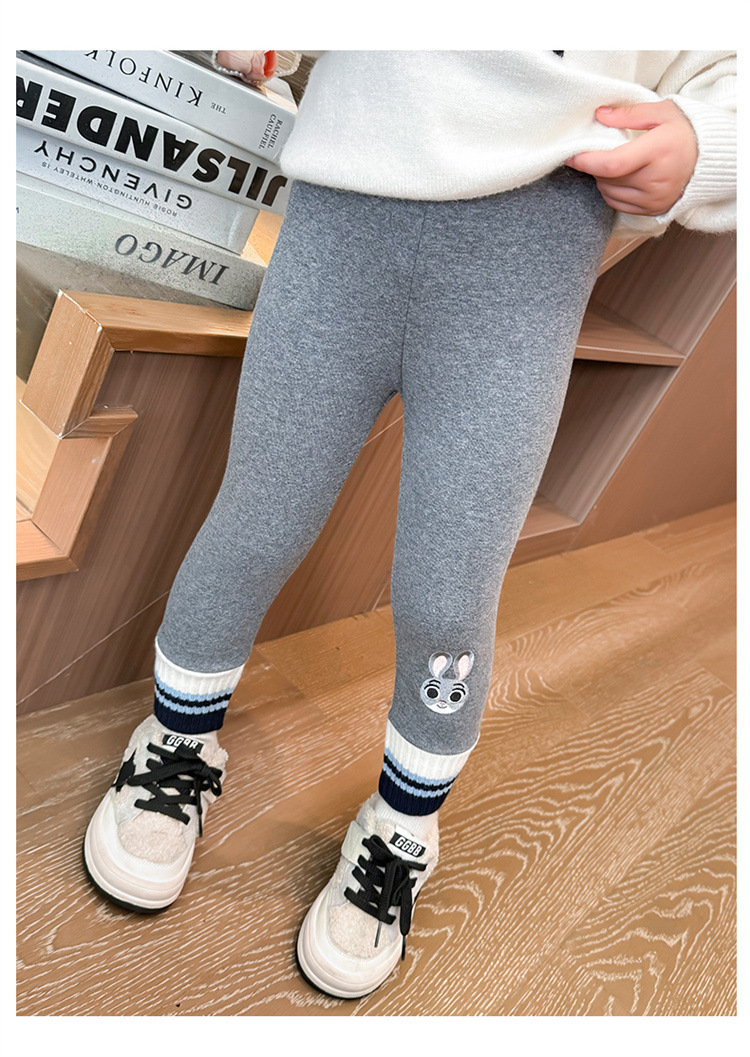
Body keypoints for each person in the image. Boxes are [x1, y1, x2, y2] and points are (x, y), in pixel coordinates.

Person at [82, 50, 736, 1000]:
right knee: (256, 524)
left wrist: (710, 143)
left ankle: (402, 824)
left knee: (448, 596)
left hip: (533, 249)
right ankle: (176, 741)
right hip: (345, 209)